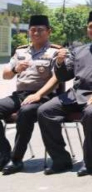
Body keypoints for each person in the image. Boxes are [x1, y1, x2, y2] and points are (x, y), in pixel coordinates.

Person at [38, 11, 92, 176]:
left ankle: (91, 162)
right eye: (90, 26)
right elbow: (65, 76)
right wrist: (59, 62)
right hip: (75, 94)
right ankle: (61, 160)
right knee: (45, 111)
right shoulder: (80, 50)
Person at [0, 16, 61, 175]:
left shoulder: (55, 51)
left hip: (44, 97)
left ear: (49, 32)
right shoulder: (20, 51)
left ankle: (16, 159)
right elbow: (5, 75)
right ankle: (3, 152)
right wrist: (15, 70)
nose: (36, 33)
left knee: (25, 112)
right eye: (33, 30)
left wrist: (38, 95)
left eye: (40, 30)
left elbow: (57, 79)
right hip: (20, 95)